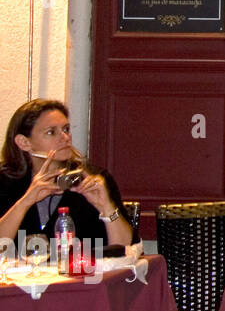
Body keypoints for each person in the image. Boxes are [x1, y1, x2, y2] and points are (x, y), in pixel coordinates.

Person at [0, 98, 132, 248]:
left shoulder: (93, 179)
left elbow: (125, 249)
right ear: (24, 142)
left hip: (83, 271)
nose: (65, 138)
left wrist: (106, 207)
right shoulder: (5, 181)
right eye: (51, 132)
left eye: (66, 129)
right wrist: (25, 202)